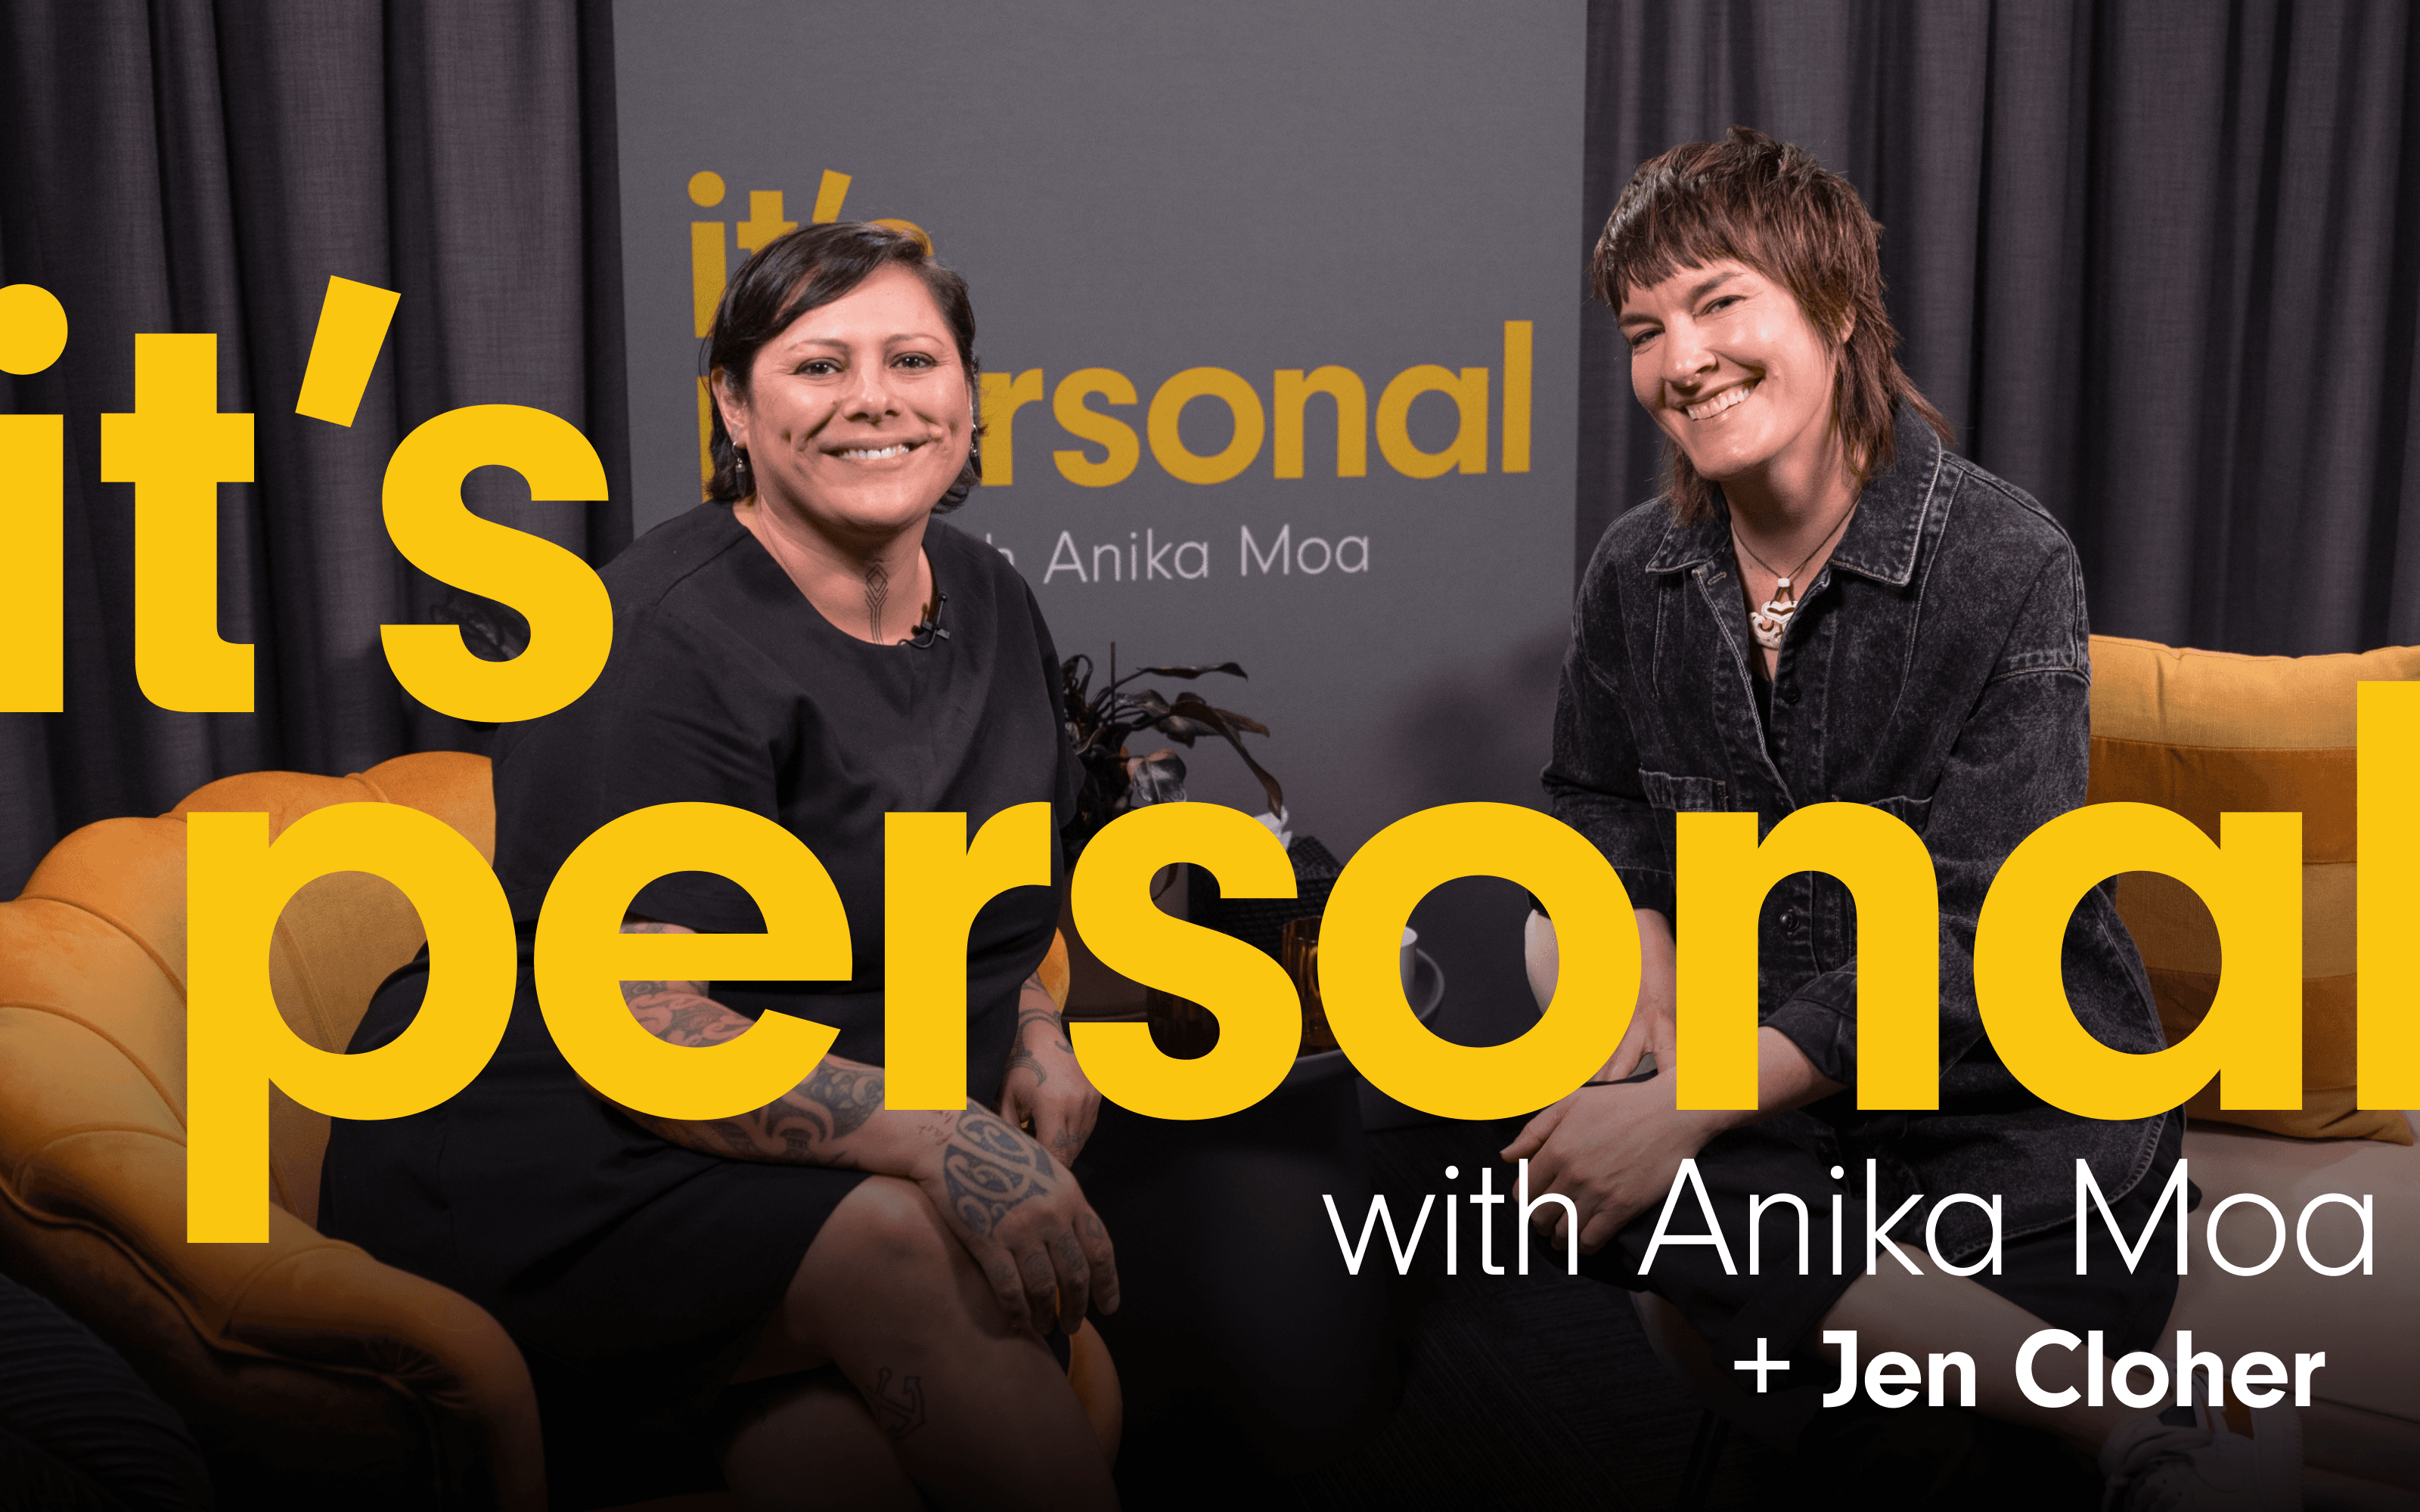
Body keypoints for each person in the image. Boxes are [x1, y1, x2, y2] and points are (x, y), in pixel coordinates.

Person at [1520, 128, 2297, 1508]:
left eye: (1717, 302)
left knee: (1905, 1437)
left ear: (1832, 307)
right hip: (1786, 1128)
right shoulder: (1633, 570)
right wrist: (1634, 940)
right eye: (1645, 328)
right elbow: (1593, 801)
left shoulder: (2006, 558)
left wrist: (1682, 1109)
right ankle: (2141, 1431)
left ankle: (2117, 1436)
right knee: (1563, 1136)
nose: (1678, 358)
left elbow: (1981, 928)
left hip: (2022, 1123)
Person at [321, 222, 1119, 1512]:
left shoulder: (987, 595)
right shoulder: (650, 636)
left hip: (785, 1141)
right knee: (915, 1253)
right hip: (552, 1139)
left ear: (969, 400)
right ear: (735, 408)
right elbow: (630, 1025)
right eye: (819, 366)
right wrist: (951, 1138)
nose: (875, 398)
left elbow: (990, 908)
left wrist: (1034, 1039)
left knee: (835, 1454)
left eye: (914, 359)